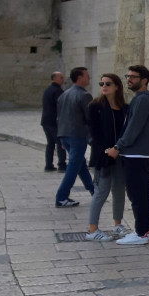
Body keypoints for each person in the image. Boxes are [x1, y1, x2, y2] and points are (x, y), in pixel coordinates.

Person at [106, 66, 149, 245]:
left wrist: (118, 147)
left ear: (144, 80)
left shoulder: (142, 100)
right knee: (144, 193)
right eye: (128, 76)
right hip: (145, 154)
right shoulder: (147, 99)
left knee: (137, 194)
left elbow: (133, 128)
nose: (129, 80)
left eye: (133, 77)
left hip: (137, 154)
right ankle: (146, 230)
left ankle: (141, 232)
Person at [85, 73, 129, 241]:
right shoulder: (95, 106)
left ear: (116, 86)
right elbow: (94, 133)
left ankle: (117, 224)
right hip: (102, 155)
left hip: (119, 154)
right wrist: (107, 150)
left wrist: (118, 149)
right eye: (101, 83)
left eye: (108, 83)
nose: (104, 86)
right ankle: (92, 229)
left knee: (119, 189)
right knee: (101, 190)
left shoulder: (124, 108)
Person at [55, 67, 95, 208]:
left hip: (65, 135)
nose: (89, 78)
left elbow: (59, 117)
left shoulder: (64, 94)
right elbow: (90, 119)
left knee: (80, 165)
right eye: (87, 75)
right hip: (77, 135)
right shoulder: (84, 96)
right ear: (79, 78)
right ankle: (61, 197)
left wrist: (61, 138)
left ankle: (93, 190)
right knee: (73, 166)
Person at [41, 71, 67, 171]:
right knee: (60, 143)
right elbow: (62, 106)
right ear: (54, 79)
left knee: (50, 144)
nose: (62, 79)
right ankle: (62, 165)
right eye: (60, 78)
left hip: (46, 121)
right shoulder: (57, 91)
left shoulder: (48, 89)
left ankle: (48, 165)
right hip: (54, 122)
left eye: (62, 77)